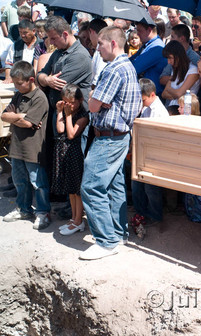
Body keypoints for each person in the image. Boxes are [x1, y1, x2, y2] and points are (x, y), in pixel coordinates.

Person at [80, 26, 142, 260]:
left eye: (100, 45)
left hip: (109, 137)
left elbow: (93, 105)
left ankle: (106, 242)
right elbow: (99, 102)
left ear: (113, 44)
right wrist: (99, 100)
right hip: (119, 135)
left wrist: (98, 100)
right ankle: (118, 233)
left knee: (91, 186)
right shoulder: (127, 67)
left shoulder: (114, 69)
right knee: (115, 186)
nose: (97, 49)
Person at [1, 61, 50, 229]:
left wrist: (16, 117)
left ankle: (43, 212)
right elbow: (4, 116)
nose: (16, 87)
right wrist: (18, 116)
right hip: (17, 147)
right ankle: (24, 209)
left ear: (30, 79)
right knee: (20, 180)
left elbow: (29, 123)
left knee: (38, 183)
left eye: (19, 83)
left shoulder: (39, 98)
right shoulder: (18, 94)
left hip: (33, 149)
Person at [130, 78, 168, 238]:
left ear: (152, 95)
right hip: (142, 151)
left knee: (151, 188)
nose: (141, 102)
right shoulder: (146, 107)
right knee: (137, 184)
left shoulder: (159, 112)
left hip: (153, 154)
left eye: (143, 99)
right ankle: (141, 211)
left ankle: (155, 215)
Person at [52, 84, 89, 236]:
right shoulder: (66, 111)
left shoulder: (83, 116)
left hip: (76, 154)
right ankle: (74, 218)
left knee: (77, 190)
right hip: (66, 153)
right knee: (71, 190)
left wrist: (67, 116)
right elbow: (60, 130)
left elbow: (71, 134)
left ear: (80, 100)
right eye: (66, 102)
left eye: (72, 102)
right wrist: (60, 111)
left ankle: (79, 221)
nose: (69, 105)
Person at [130, 21, 168, 97]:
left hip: (153, 96)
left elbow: (134, 67)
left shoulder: (157, 48)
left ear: (149, 30)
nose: (137, 34)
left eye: (140, 31)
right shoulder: (148, 45)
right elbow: (131, 60)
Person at [161, 40, 200, 114]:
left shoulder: (193, 70)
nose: (168, 62)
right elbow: (164, 94)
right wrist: (176, 94)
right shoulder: (175, 70)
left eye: (170, 58)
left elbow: (179, 93)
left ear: (178, 56)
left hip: (185, 112)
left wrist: (170, 90)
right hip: (171, 110)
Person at [3, 19, 40, 84]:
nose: (22, 35)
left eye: (25, 33)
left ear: (33, 31)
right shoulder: (15, 45)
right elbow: (9, 64)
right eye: (20, 32)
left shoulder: (41, 45)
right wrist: (8, 78)